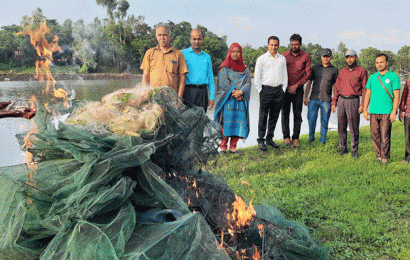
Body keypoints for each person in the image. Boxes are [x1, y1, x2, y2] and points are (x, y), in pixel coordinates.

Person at [363, 54, 400, 165]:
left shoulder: (393, 77)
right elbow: (368, 94)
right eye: (377, 62)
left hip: (387, 112)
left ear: (387, 62)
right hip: (374, 111)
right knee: (375, 135)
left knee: (385, 135)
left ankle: (385, 158)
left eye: (381, 62)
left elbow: (397, 96)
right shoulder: (372, 77)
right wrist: (365, 109)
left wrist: (394, 112)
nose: (379, 64)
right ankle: (378, 156)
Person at [214, 43, 251, 154]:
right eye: (233, 51)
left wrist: (241, 92)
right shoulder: (224, 67)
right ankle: (223, 147)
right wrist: (235, 92)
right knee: (226, 123)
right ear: (230, 52)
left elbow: (248, 82)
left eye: (238, 52)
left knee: (239, 122)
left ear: (240, 53)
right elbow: (224, 84)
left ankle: (233, 147)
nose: (235, 54)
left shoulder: (245, 68)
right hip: (227, 101)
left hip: (240, 102)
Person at [331, 50, 368, 158]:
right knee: (341, 125)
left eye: (351, 57)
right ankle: (343, 148)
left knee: (353, 126)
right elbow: (336, 87)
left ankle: (354, 150)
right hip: (341, 100)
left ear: (356, 57)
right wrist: (334, 101)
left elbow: (365, 89)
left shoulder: (361, 71)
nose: (349, 59)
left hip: (353, 100)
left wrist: (362, 105)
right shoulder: (342, 71)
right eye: (347, 57)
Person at [254, 36, 288, 151]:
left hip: (278, 91)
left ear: (278, 45)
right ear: (268, 45)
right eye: (272, 44)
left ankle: (270, 138)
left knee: (274, 116)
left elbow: (285, 75)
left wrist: (283, 88)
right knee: (263, 116)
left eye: (276, 45)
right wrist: (260, 90)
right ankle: (261, 139)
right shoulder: (262, 59)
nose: (274, 47)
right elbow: (257, 76)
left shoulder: (282, 59)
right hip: (265, 90)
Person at [140, 24, 188, 101]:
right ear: (156, 36)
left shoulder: (178, 54)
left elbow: (182, 78)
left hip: (172, 97)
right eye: (159, 35)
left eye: (165, 35)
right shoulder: (149, 53)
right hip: (153, 96)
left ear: (170, 36)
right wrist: (144, 93)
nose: (162, 38)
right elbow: (146, 75)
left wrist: (179, 97)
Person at [281, 34, 312, 147]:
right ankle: (286, 137)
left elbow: (308, 74)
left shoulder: (305, 56)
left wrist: (297, 85)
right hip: (285, 89)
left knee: (297, 114)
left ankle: (295, 138)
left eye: (296, 44)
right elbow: (280, 72)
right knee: (285, 113)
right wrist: (288, 86)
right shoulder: (284, 55)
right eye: (292, 44)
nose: (294, 46)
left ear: (300, 44)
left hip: (298, 90)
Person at [304, 48, 338, 144]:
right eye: (324, 56)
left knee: (324, 121)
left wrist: (335, 101)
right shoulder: (315, 68)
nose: (326, 58)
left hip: (326, 100)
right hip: (313, 99)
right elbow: (309, 82)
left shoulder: (334, 70)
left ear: (330, 57)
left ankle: (322, 140)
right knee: (311, 119)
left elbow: (336, 86)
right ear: (321, 57)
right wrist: (305, 96)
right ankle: (311, 138)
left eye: (328, 56)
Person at [181, 29, 215, 112]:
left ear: (202, 40)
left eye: (199, 39)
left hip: (203, 93)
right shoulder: (182, 54)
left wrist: (211, 97)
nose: (197, 41)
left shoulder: (207, 57)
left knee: (201, 120)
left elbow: (210, 78)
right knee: (186, 121)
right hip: (188, 92)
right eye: (194, 39)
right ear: (190, 39)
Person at [399, 77, 410, 163]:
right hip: (408, 113)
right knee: (408, 137)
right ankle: (408, 158)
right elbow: (404, 96)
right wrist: (401, 110)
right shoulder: (409, 80)